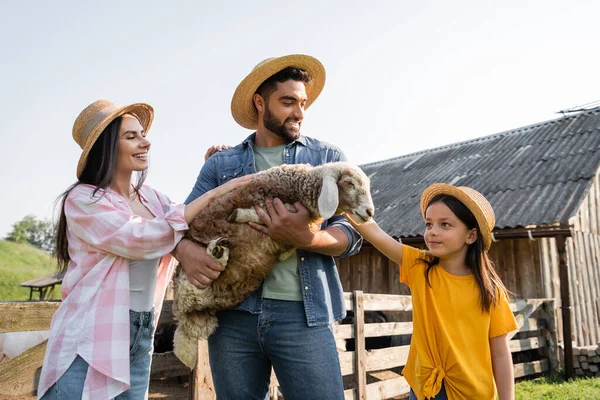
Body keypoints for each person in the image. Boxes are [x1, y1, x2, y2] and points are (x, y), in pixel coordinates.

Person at [37, 99, 246, 399]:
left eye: (143, 134)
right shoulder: (84, 200)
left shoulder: (150, 198)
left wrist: (211, 171)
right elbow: (140, 237)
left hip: (141, 335)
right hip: (90, 339)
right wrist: (216, 191)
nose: (145, 142)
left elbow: (188, 221)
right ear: (107, 147)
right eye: (131, 136)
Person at [184, 54, 363, 399]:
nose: (299, 113)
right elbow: (181, 221)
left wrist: (307, 237)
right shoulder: (222, 164)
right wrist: (186, 251)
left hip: (304, 315)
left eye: (303, 103)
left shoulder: (327, 158)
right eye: (288, 102)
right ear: (259, 102)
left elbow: (352, 234)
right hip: (234, 317)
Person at [345, 184, 518, 400]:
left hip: (473, 393)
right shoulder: (420, 266)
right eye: (428, 224)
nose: (432, 231)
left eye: (445, 224)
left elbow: (500, 354)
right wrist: (343, 199)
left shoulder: (491, 290)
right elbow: (374, 232)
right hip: (425, 389)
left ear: (471, 235)